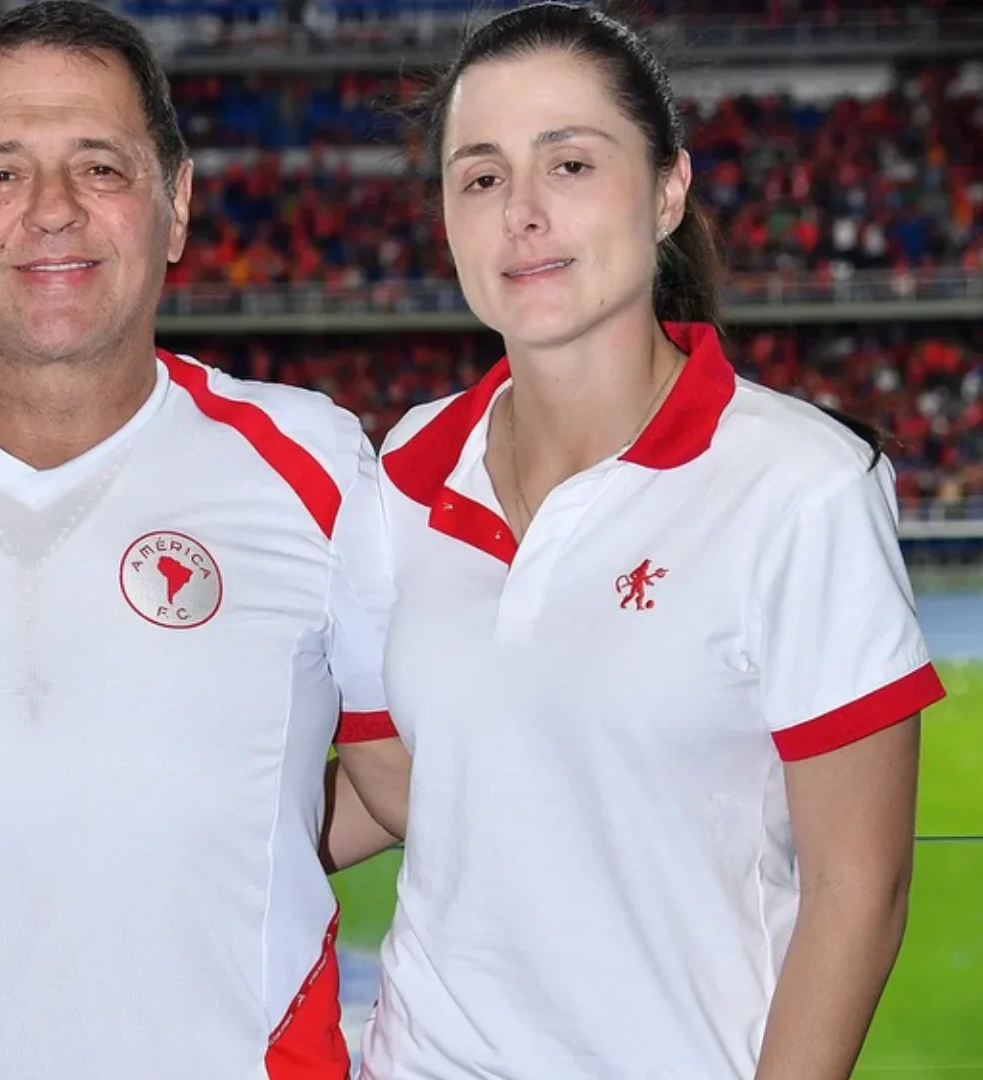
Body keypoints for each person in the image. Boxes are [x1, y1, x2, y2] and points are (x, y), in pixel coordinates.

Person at [0, 3, 399, 1077]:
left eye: (101, 167)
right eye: (0, 172)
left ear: (177, 204)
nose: (52, 210)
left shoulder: (317, 464)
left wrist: (213, 844)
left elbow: (414, 778)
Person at [336, 5, 946, 1079]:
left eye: (569, 164)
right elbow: (395, 784)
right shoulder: (407, 464)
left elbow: (861, 890)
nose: (522, 212)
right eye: (480, 177)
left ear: (668, 191)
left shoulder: (799, 486)